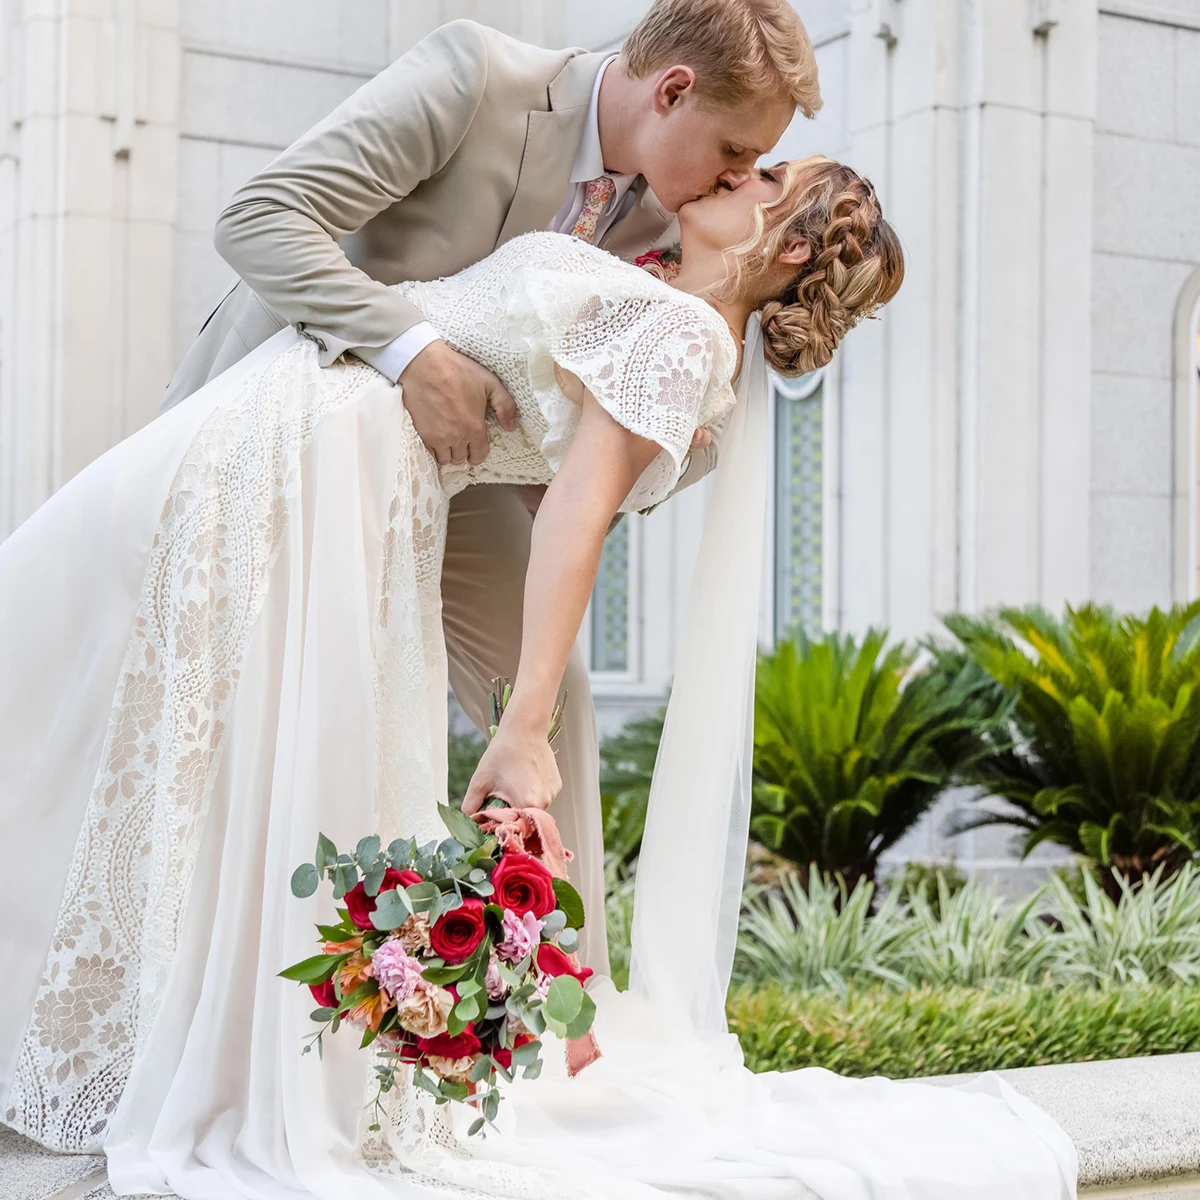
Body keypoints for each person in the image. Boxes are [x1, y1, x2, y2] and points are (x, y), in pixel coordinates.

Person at [0, 151, 1077, 1197]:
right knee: (111, 684)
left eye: (764, 180)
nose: (734, 172)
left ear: (785, 243)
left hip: (335, 451)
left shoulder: (683, 339)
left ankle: (181, 1048)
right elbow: (539, 462)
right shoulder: (658, 301)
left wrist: (522, 730)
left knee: (60, 638)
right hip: (309, 429)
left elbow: (575, 515)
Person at [159, 0, 823, 976]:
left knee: (550, 707)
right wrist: (412, 351)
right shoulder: (477, 77)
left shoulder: (669, 228)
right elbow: (259, 218)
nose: (732, 176)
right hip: (299, 415)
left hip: (462, 480)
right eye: (733, 150)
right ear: (672, 89)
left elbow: (589, 452)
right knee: (238, 721)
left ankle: (563, 1012)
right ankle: (191, 977)